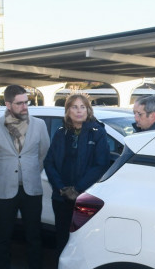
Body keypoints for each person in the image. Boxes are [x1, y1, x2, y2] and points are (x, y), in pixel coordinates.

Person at [0, 85, 53, 269]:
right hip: (5, 189)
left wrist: (30, 172)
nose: (25, 106)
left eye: (27, 102)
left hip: (32, 189)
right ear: (8, 104)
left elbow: (43, 154)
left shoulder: (39, 125)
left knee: (34, 236)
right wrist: (5, 175)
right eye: (20, 103)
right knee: (3, 238)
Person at [44, 93, 109, 254]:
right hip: (61, 197)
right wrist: (60, 188)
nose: (79, 111)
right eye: (74, 107)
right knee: (62, 239)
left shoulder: (97, 132)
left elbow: (101, 165)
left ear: (88, 110)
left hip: (85, 197)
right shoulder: (60, 133)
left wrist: (77, 189)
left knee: (83, 241)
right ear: (68, 111)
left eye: (83, 107)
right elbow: (49, 162)